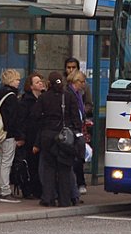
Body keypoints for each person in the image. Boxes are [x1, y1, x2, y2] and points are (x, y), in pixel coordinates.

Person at [31, 72, 82, 207]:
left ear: (49, 83)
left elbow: (35, 115)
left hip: (48, 136)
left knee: (48, 168)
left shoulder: (44, 97)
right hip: (64, 138)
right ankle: (65, 200)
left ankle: (48, 197)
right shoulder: (69, 96)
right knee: (65, 169)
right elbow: (76, 118)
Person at [0, 69, 24, 203]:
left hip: (0, 132)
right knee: (7, 162)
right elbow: (13, 119)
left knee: (2, 162)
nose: (19, 82)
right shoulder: (12, 97)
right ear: (11, 81)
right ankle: (5, 191)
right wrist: (18, 135)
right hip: (8, 134)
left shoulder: (0, 95)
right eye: (17, 80)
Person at [17, 72, 45, 199]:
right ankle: (28, 189)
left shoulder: (43, 98)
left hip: (40, 136)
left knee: (39, 164)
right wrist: (22, 137)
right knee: (30, 164)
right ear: (31, 86)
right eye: (37, 82)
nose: (40, 83)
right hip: (30, 137)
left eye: (41, 81)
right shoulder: (26, 101)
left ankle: (38, 189)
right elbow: (22, 120)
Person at [68, 70, 90, 195]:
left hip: (79, 128)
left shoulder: (79, 94)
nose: (84, 84)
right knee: (76, 158)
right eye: (82, 81)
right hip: (74, 130)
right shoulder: (71, 94)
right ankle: (78, 184)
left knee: (80, 156)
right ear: (76, 82)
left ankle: (79, 183)